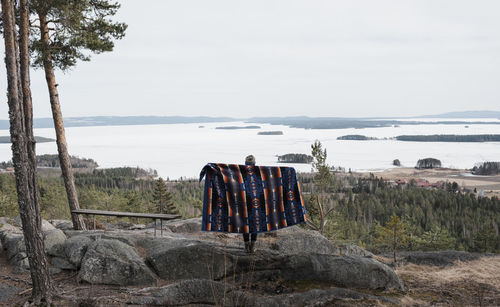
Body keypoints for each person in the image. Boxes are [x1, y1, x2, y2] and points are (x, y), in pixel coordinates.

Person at [243, 154, 258, 253]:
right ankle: (252, 246)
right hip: (255, 202)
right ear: (254, 164)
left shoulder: (240, 172)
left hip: (243, 201)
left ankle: (246, 246)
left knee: (245, 223)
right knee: (255, 223)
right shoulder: (258, 173)